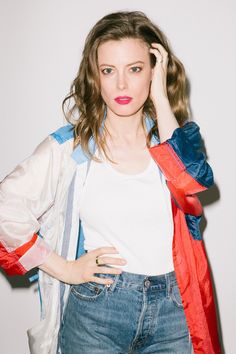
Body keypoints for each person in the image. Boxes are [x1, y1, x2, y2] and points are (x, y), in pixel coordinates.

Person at [0, 10, 221, 354]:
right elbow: (6, 207)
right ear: (95, 77)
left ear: (153, 71)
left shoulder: (173, 144)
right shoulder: (70, 148)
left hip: (175, 311)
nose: (121, 85)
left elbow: (191, 183)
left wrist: (161, 97)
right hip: (98, 312)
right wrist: (64, 268)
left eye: (135, 69)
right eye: (108, 71)